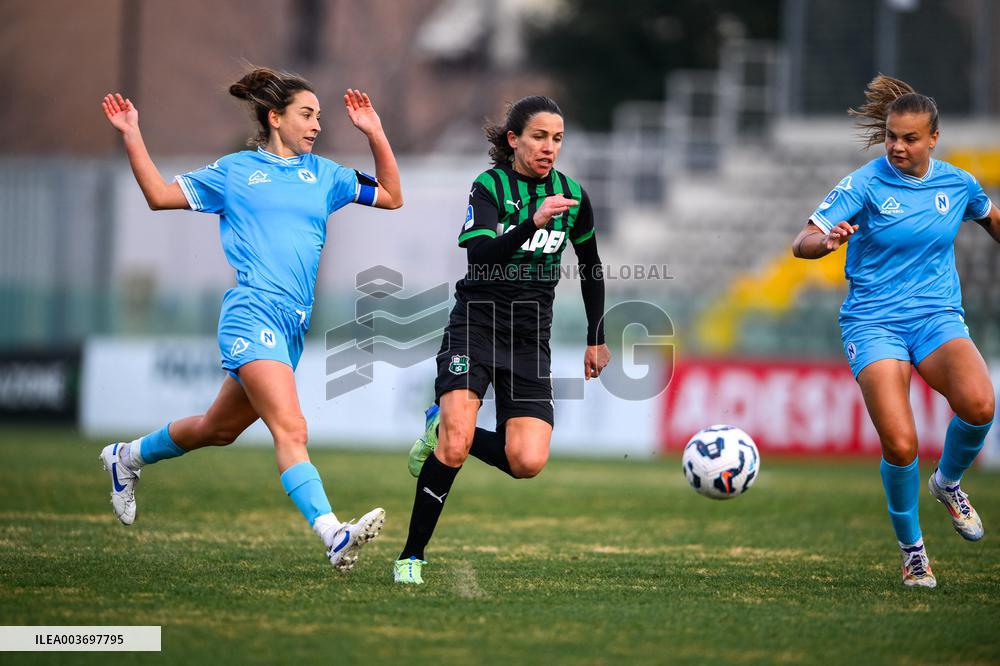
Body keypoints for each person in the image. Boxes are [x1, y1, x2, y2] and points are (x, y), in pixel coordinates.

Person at [98, 67, 403, 572]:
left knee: (218, 429)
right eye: (307, 115)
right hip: (252, 311)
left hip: (291, 325)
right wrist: (133, 134)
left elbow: (392, 196)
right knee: (293, 428)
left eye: (320, 117)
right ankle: (332, 532)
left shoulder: (324, 175)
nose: (317, 125)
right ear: (274, 117)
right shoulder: (236, 171)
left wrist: (374, 132)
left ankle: (126, 457)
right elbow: (158, 194)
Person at [393, 96, 611, 585]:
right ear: (513, 140)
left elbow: (592, 266)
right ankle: (411, 556)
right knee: (453, 446)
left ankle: (444, 426)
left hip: (532, 339)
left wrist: (598, 336)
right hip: (477, 325)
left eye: (557, 139)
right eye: (539, 136)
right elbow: (480, 257)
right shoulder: (489, 185)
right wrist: (530, 224)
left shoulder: (572, 194)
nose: (549, 147)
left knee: (527, 461)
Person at [792, 75, 999, 588]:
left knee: (980, 405)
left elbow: (991, 217)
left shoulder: (957, 184)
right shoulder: (864, 183)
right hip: (873, 320)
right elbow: (803, 241)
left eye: (909, 138)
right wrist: (828, 243)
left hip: (936, 317)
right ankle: (914, 553)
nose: (898, 146)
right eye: (891, 136)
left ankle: (948, 484)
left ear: (933, 139)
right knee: (902, 444)